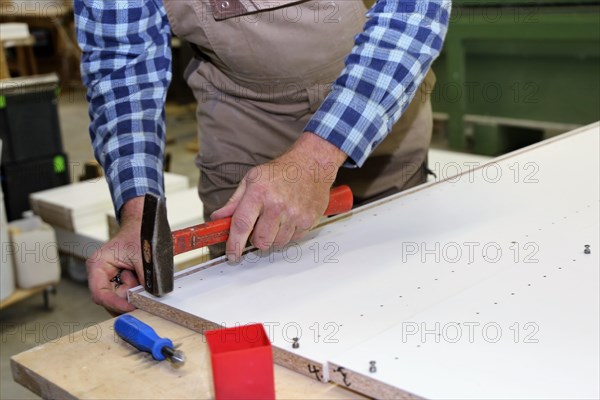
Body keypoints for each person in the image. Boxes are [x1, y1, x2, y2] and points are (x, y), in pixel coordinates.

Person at [75, 0, 450, 314]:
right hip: (245, 128)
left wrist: (316, 160)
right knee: (260, 316)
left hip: (378, 114)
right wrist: (139, 219)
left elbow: (414, 11)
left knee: (397, 305)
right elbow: (122, 65)